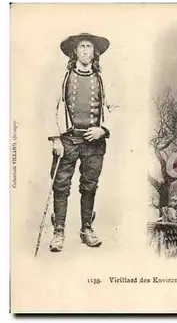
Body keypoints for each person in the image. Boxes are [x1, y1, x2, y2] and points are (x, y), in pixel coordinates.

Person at [47, 33, 118, 252]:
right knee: (61, 185)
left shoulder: (103, 79)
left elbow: (117, 108)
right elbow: (51, 108)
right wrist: (56, 138)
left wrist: (103, 130)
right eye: (82, 47)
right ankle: (58, 231)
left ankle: (86, 228)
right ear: (75, 51)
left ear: (94, 52)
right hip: (68, 140)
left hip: (93, 143)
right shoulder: (63, 77)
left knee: (90, 185)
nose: (86, 51)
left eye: (89, 47)